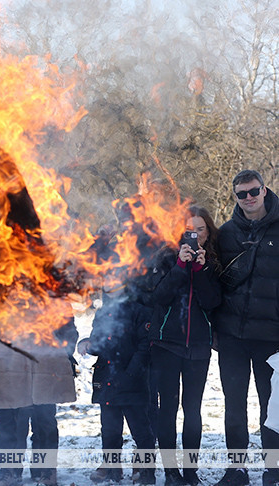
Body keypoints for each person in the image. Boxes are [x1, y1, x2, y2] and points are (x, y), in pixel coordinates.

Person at [213, 169, 279, 486]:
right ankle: (236, 469)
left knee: (272, 406)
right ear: (235, 197)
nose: (249, 198)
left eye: (254, 191)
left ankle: (273, 468)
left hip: (272, 337)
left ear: (264, 190)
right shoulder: (226, 233)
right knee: (234, 405)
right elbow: (215, 285)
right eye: (242, 194)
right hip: (232, 338)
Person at [147, 206, 221, 486]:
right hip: (166, 344)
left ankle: (190, 471)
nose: (195, 235)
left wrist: (200, 269)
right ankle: (170, 472)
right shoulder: (166, 257)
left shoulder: (213, 263)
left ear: (208, 232)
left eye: (200, 229)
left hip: (199, 347)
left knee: (193, 410)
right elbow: (160, 296)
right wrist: (180, 265)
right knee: (167, 408)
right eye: (190, 230)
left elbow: (212, 302)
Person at [79, 286, 155, 485]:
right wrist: (88, 344)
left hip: (133, 383)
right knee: (110, 431)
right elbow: (99, 343)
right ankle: (113, 471)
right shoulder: (102, 313)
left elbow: (144, 348)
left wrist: (130, 374)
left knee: (141, 430)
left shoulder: (139, 311)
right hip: (107, 382)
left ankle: (146, 472)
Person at [0, 319, 78, 486]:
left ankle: (46, 471)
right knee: (8, 421)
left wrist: (60, 350)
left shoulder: (52, 295)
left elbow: (68, 330)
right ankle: (9, 472)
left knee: (44, 422)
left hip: (45, 367)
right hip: (8, 366)